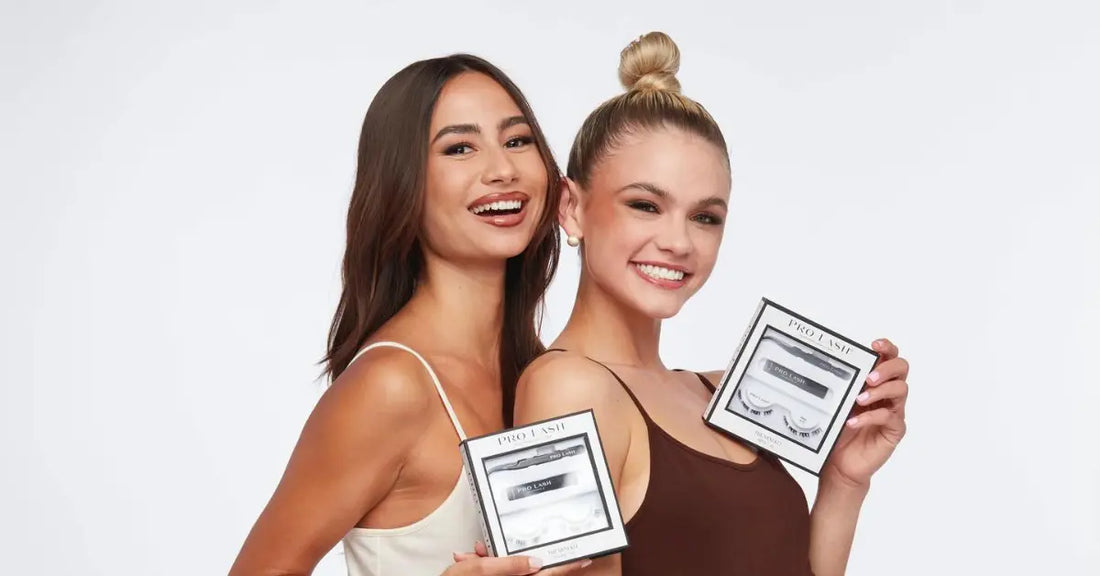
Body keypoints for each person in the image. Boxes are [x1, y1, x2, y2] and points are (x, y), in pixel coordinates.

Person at [514, 32, 910, 576]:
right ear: (572, 208)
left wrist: (844, 481)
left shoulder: (725, 391)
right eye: (646, 205)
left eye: (705, 217)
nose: (679, 241)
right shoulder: (566, 388)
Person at [230, 54, 588, 576]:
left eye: (517, 140)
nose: (502, 169)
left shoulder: (543, 373)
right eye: (459, 148)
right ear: (403, 183)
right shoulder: (391, 386)